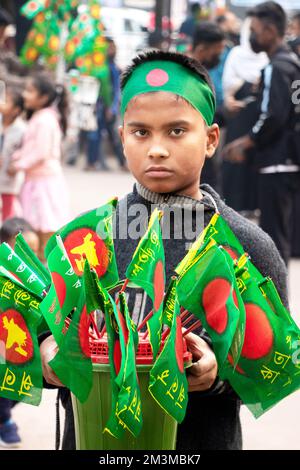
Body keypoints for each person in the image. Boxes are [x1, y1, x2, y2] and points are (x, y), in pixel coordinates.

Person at [40, 50, 288, 450]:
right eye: (141, 132)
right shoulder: (84, 239)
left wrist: (218, 374)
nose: (156, 148)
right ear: (122, 137)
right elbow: (39, 330)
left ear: (210, 140)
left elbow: (272, 361)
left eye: (176, 131)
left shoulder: (247, 246)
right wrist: (48, 352)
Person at [224, 1, 300, 265]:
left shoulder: (276, 67)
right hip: (288, 160)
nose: (252, 37)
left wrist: (246, 142)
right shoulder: (291, 63)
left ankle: (277, 303)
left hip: (276, 162)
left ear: (269, 30)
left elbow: (273, 116)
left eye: (255, 30)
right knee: (280, 235)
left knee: (275, 242)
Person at [8, 73, 70, 260]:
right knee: (37, 230)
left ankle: (45, 274)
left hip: (43, 185)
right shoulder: (41, 117)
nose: (25, 95)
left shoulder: (44, 120)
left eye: (30, 91)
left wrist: (17, 164)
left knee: (45, 231)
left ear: (43, 97)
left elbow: (40, 152)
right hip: (37, 182)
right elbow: (31, 148)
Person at [0, 217, 39, 447]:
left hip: (22, 346)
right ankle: (4, 421)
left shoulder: (36, 278)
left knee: (25, 387)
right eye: (22, 251)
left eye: (33, 251)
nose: (29, 258)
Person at [191, 21, 226, 191]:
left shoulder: (201, 73)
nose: (218, 59)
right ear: (201, 50)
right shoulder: (188, 77)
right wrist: (223, 113)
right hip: (192, 154)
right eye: (215, 53)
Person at [85, 38, 126, 171]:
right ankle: (91, 162)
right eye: (108, 48)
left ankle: (123, 163)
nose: (111, 51)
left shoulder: (114, 68)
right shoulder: (95, 68)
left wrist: (113, 108)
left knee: (115, 136)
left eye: (112, 48)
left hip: (108, 108)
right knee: (94, 135)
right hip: (97, 107)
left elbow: (116, 89)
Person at [0, 85, 26, 221]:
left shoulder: (22, 129)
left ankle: (4, 239)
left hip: (9, 178)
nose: (1, 102)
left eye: (6, 101)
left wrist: (14, 164)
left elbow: (24, 151)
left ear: (16, 110)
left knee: (7, 212)